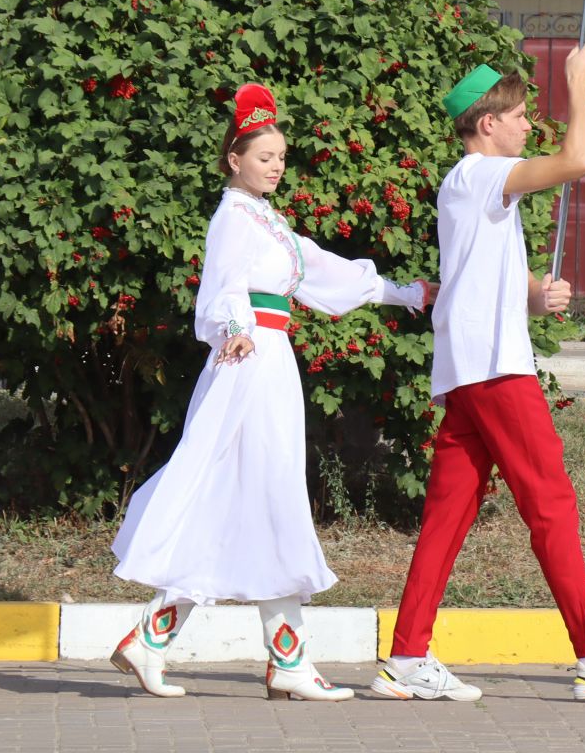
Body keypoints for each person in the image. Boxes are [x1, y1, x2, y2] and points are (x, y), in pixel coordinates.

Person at [109, 83, 433, 701]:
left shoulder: (266, 219)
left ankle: (157, 641)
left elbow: (318, 271)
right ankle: (274, 661)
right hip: (250, 360)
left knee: (253, 497)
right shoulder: (233, 217)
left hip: (269, 359)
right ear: (234, 159)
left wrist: (406, 293)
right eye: (266, 156)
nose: (277, 165)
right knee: (264, 494)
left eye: (282, 157)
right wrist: (233, 328)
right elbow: (222, 287)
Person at [374, 47, 585, 702]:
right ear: (486, 125)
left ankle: (406, 655)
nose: (525, 127)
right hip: (495, 369)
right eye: (516, 116)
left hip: (470, 369)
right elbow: (578, 162)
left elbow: (481, 274)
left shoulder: (468, 184)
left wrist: (537, 293)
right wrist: (576, 86)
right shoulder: (483, 175)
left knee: (448, 514)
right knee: (550, 504)